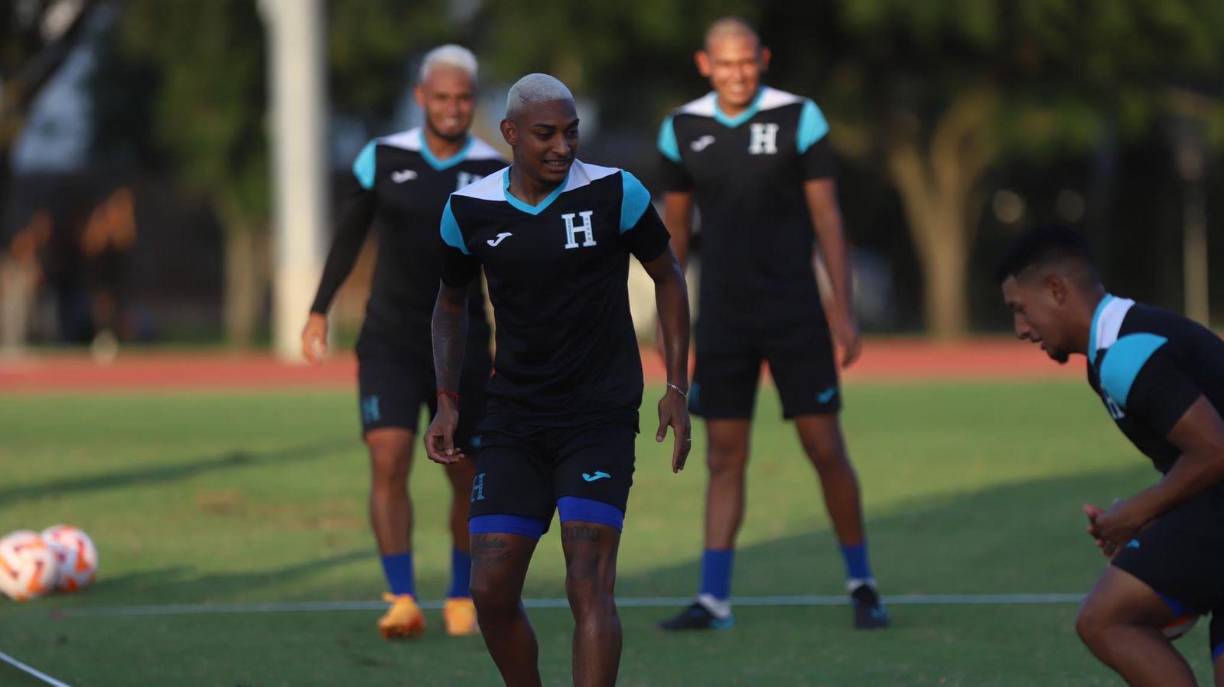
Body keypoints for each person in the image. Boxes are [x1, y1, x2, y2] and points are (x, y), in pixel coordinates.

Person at [426, 73, 691, 687]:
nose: (562, 147)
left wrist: (676, 387)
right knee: (489, 588)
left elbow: (669, 277)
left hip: (598, 415)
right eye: (545, 134)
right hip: (514, 417)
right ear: (510, 134)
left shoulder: (615, 193)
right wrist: (446, 400)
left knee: (588, 580)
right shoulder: (469, 209)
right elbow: (448, 304)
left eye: (571, 133)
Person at [655, 17, 887, 631]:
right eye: (724, 64)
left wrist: (842, 305)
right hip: (724, 317)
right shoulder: (683, 128)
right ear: (706, 64)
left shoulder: (799, 117)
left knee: (823, 447)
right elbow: (673, 234)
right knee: (723, 456)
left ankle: (862, 583)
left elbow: (828, 216)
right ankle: (713, 598)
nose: (737, 74)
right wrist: (668, 317)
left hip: (793, 311)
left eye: (747, 62)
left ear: (764, 58)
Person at [301, 45, 505, 639]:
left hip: (464, 346)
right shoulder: (383, 157)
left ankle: (463, 593)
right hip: (389, 339)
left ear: (474, 101)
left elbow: (510, 261)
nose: (452, 107)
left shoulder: (495, 170)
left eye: (463, 97)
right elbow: (348, 239)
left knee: (465, 472)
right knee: (388, 457)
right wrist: (318, 310)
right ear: (422, 98)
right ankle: (401, 597)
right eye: (441, 97)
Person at [998, 226, 1224, 687]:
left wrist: (1138, 511)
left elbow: (1217, 450)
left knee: (1105, 618)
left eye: (1020, 310)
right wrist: (1151, 523)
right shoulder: (1120, 345)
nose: (1021, 329)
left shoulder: (1123, 354)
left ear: (1057, 290)